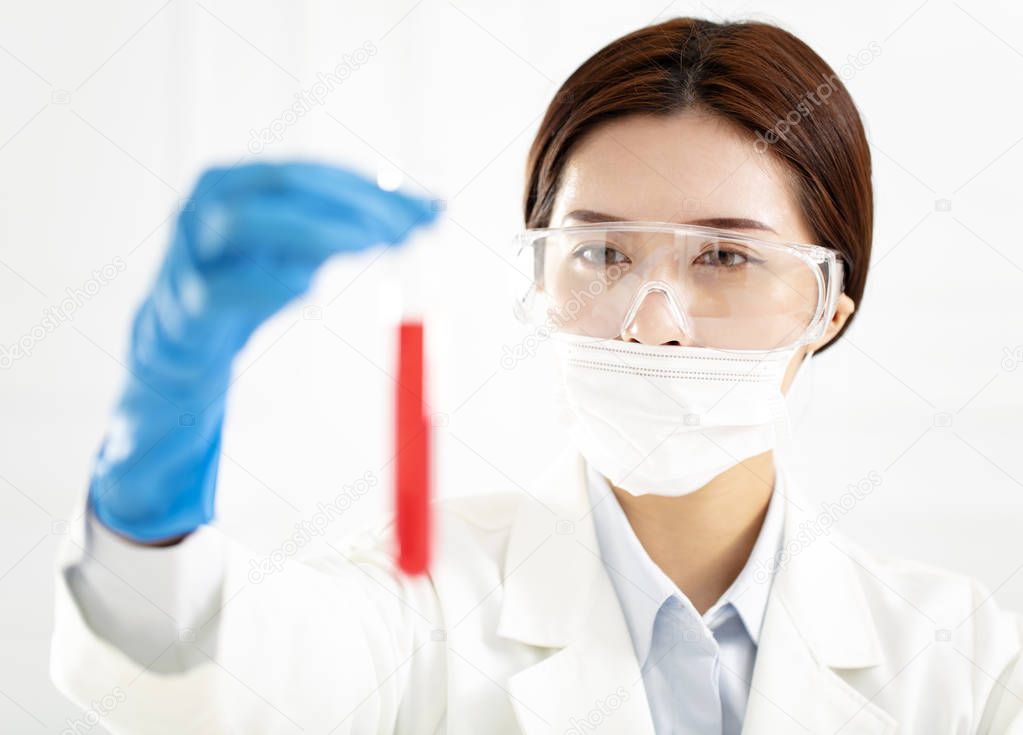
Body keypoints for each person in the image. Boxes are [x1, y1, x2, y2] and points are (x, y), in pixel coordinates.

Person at [50, 16, 1023, 734]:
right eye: (602, 256)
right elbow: (187, 673)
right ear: (540, 274)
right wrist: (156, 449)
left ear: (828, 311)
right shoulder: (423, 606)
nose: (653, 328)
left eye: (724, 258)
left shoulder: (966, 664)